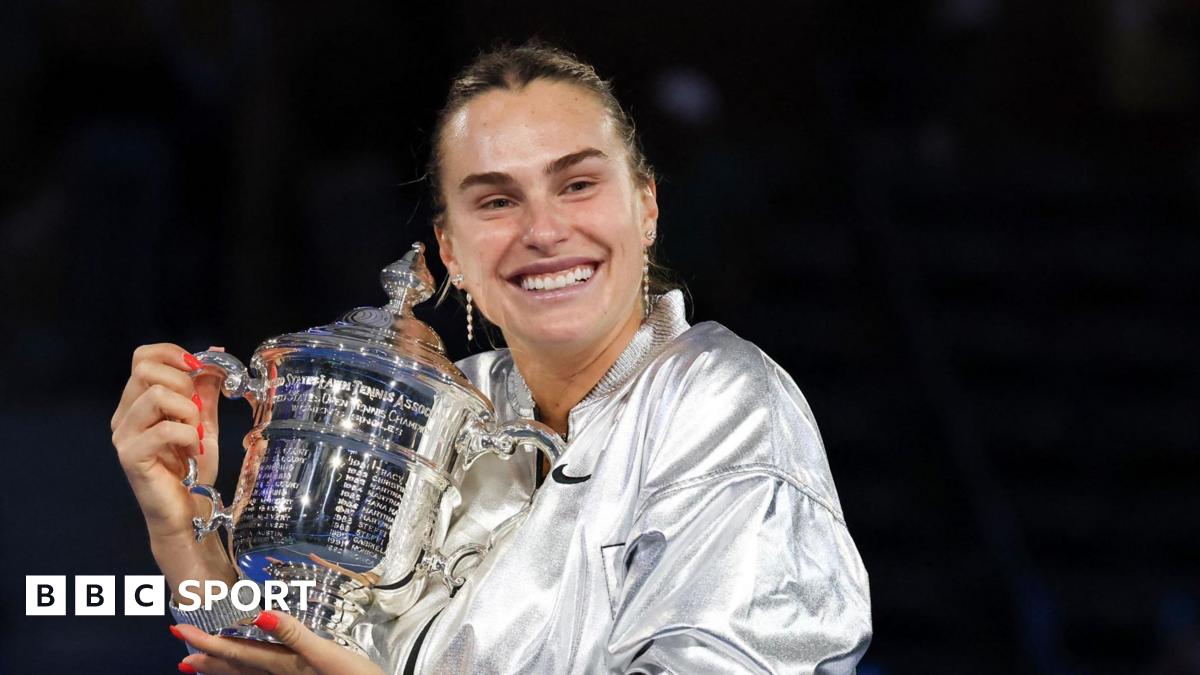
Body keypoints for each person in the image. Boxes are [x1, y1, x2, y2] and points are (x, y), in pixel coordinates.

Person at [109, 41, 872, 674]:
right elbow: (291, 651)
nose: (543, 230)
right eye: (497, 200)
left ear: (645, 208)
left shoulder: (720, 398)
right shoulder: (444, 406)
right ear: (451, 251)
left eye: (577, 184)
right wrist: (181, 526)